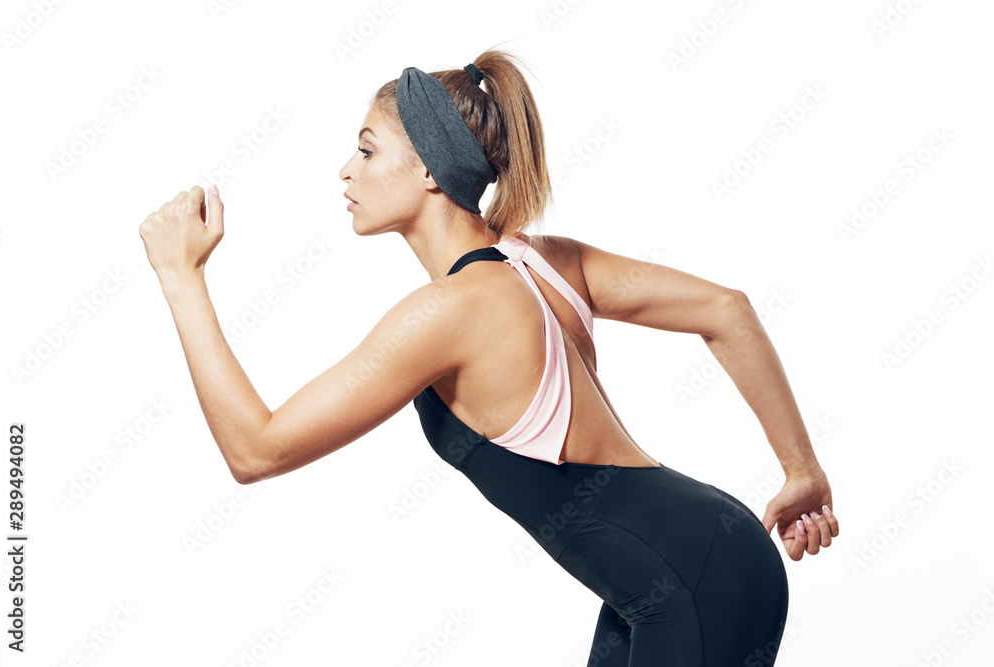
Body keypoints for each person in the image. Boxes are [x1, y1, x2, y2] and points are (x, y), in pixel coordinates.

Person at [139, 47, 839, 666]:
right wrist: (801, 471)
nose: (345, 169)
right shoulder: (546, 263)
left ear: (429, 171)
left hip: (687, 586)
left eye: (368, 149)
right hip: (681, 572)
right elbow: (727, 309)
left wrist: (183, 280)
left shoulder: (449, 312)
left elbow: (255, 449)